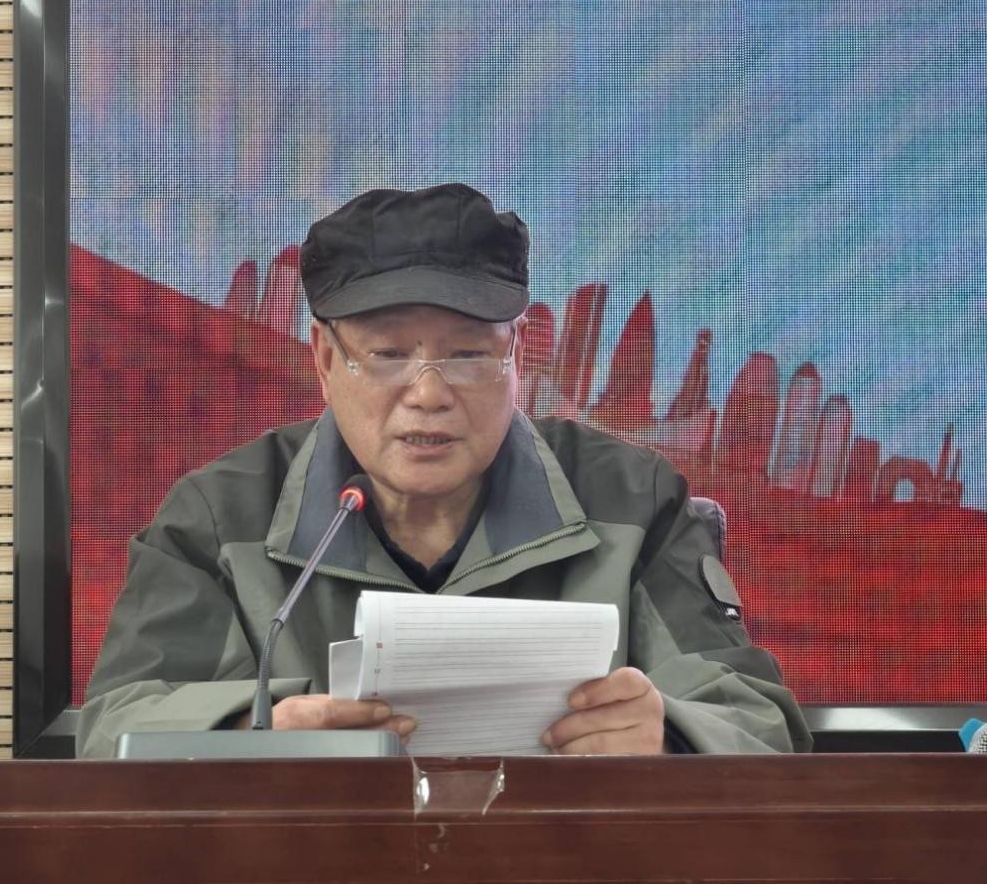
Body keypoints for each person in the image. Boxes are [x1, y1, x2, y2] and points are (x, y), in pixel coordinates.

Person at [77, 183, 812, 758]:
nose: (428, 394)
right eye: (389, 354)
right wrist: (253, 734)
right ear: (326, 359)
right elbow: (113, 732)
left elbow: (760, 729)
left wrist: (669, 739)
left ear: (516, 356)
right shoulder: (217, 517)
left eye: (467, 354)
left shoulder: (635, 501)